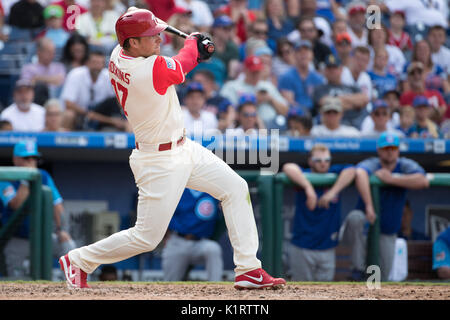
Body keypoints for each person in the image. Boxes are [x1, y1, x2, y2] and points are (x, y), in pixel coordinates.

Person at [58, 7, 286, 290]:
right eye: (151, 36)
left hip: (183, 147)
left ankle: (249, 269)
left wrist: (167, 28)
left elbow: (133, 14)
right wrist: (192, 43)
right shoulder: (145, 69)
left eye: (157, 33)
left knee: (235, 188)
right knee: (147, 238)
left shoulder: (119, 53)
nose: (159, 39)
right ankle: (79, 260)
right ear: (133, 43)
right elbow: (182, 65)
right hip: (158, 159)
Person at [340, 131, 429, 281]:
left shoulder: (404, 164)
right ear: (379, 150)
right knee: (356, 218)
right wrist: (369, 205)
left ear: (398, 150)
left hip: (387, 231)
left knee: (379, 281)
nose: (389, 152)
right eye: (386, 148)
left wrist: (391, 179)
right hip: (366, 227)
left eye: (393, 148)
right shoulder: (373, 163)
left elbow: (423, 180)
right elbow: (360, 173)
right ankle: (358, 269)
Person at [0, 140, 76, 278]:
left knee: (68, 245)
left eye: (34, 158)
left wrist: (62, 230)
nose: (31, 162)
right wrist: (26, 179)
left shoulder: (43, 176)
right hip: (16, 238)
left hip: (42, 237)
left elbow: (57, 205)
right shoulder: (5, 177)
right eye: (26, 158)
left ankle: (78, 287)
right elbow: (16, 205)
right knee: (15, 279)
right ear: (15, 159)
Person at [282, 144, 356, 281]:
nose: (323, 164)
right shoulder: (305, 175)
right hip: (303, 246)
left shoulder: (334, 173)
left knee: (325, 292)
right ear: (310, 161)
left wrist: (332, 192)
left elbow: (352, 170)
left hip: (327, 247)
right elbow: (288, 167)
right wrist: (308, 188)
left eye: (327, 160)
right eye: (318, 160)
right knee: (301, 291)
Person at [161, 188, 223, 281]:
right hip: (178, 240)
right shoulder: (179, 189)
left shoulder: (212, 191)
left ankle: (216, 285)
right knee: (169, 283)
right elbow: (165, 215)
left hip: (200, 242)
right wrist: (165, 236)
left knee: (213, 249)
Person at [220, 55, 289, 130]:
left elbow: (285, 110)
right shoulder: (232, 86)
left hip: (273, 125)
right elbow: (226, 111)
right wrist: (254, 101)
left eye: (258, 71)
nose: (256, 75)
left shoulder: (268, 86)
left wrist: (270, 99)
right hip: (245, 127)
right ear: (245, 70)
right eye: (253, 72)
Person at [60, 50, 115, 130]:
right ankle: (63, 141)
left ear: (103, 65)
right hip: (79, 114)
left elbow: (116, 101)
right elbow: (68, 104)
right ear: (87, 63)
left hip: (101, 115)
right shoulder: (75, 74)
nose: (96, 66)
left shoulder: (109, 76)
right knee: (69, 115)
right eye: (94, 62)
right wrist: (88, 113)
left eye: (99, 63)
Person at [312, 54, 369, 128]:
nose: (332, 71)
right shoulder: (320, 89)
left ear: (341, 69)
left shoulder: (351, 87)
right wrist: (354, 104)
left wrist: (336, 100)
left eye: (335, 68)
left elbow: (364, 99)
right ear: (325, 70)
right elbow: (325, 102)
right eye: (329, 68)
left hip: (355, 126)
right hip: (331, 128)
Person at [278, 40, 326, 115]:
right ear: (294, 55)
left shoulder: (318, 78)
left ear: (312, 55)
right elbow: (289, 102)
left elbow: (321, 100)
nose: (303, 54)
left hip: (315, 114)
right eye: (299, 51)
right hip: (296, 115)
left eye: (306, 51)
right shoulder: (286, 77)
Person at [20, 37, 66, 104]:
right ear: (39, 52)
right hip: (36, 103)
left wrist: (38, 78)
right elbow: (27, 87)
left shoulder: (59, 66)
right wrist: (51, 80)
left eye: (53, 52)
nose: (52, 55)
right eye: (48, 52)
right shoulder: (28, 68)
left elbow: (60, 81)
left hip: (57, 103)